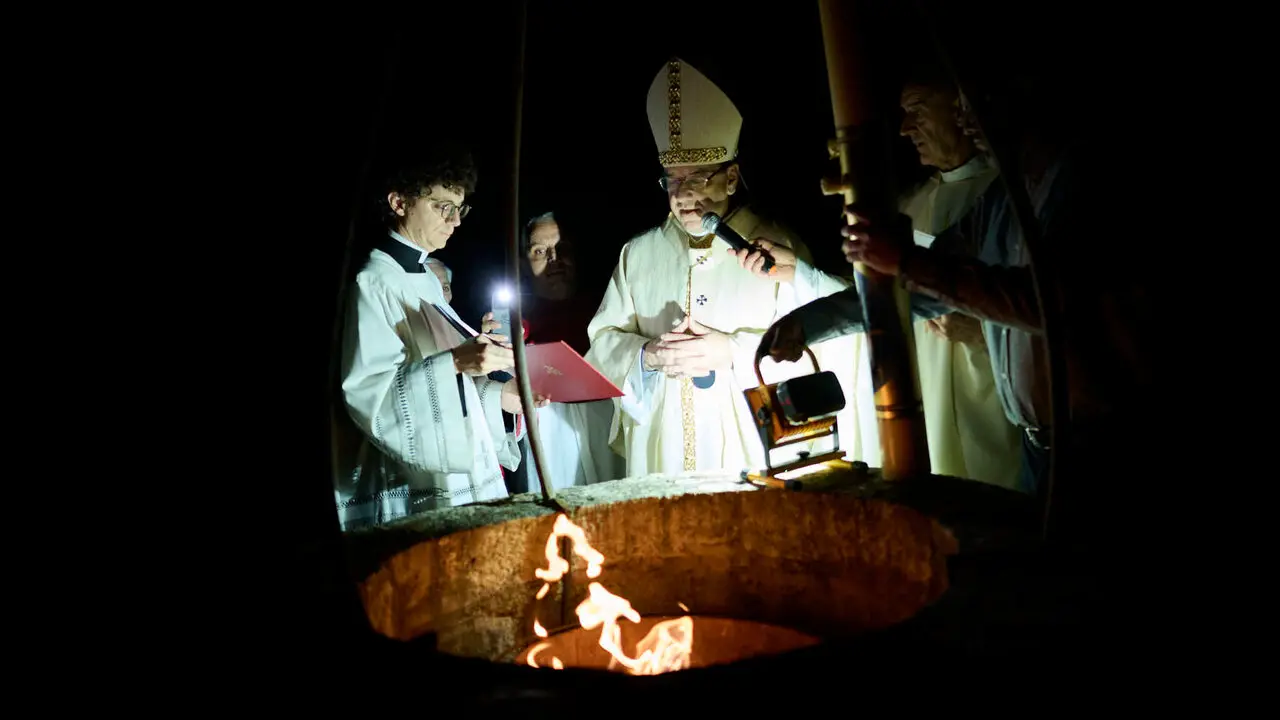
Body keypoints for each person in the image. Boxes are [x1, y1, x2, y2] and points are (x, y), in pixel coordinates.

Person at [585, 57, 835, 477]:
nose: (681, 195)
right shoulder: (639, 253)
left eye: (697, 178)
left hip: (749, 441)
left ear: (732, 178)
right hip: (662, 450)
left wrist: (733, 352)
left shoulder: (776, 250)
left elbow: (823, 344)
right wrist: (646, 356)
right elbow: (602, 342)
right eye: (671, 179)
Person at [333, 147, 546, 531]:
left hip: (457, 475)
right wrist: (460, 360)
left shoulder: (427, 280)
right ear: (399, 202)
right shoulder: (372, 282)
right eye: (442, 206)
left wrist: (501, 396)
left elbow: (447, 382)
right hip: (410, 483)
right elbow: (370, 398)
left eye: (459, 210)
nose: (454, 221)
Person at [509, 212, 625, 491]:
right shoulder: (512, 323)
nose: (554, 259)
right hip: (548, 430)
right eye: (540, 251)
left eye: (562, 248)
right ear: (524, 264)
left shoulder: (612, 309)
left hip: (608, 425)